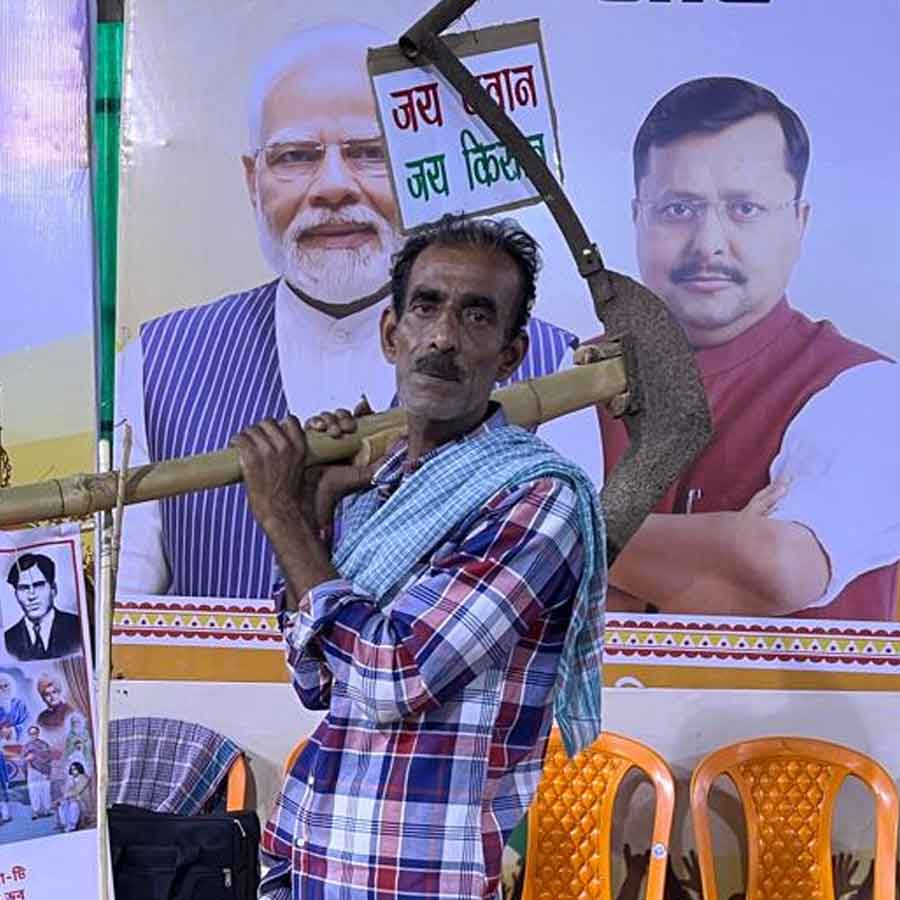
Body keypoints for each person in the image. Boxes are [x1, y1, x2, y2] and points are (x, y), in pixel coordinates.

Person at [116, 22, 601, 600]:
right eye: (296, 156)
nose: (333, 187)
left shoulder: (556, 369)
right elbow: (125, 619)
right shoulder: (160, 361)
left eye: (369, 153)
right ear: (254, 181)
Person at [238, 216, 607, 900]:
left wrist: (280, 515)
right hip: (319, 863)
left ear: (510, 354)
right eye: (426, 307)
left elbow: (393, 675)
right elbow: (318, 681)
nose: (442, 337)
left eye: (475, 315)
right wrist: (317, 509)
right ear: (391, 334)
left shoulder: (535, 497)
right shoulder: (382, 489)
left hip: (419, 881)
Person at [597, 76, 899, 620]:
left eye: (745, 210)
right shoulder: (566, 383)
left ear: (799, 223)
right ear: (637, 216)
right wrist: (718, 541)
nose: (709, 243)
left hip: (790, 709)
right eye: (678, 209)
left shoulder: (870, 393)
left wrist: (554, 531)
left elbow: (774, 571)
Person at [4, 553, 81, 659]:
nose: (31, 596)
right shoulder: (7, 641)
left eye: (38, 585)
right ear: (16, 594)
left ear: (53, 589)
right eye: (23, 588)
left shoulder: (78, 627)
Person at [22, 725, 53, 820]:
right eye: (31, 733)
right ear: (29, 735)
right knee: (33, 791)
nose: (33, 735)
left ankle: (47, 810)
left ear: (38, 733)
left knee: (45, 791)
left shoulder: (44, 744)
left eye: (34, 733)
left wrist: (36, 757)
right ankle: (35, 812)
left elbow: (48, 757)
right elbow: (22, 760)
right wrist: (27, 759)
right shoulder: (26, 746)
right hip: (32, 772)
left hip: (43, 772)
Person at [56, 761, 90, 833]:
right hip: (71, 799)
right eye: (72, 769)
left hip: (82, 801)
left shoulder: (84, 778)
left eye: (75, 769)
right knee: (62, 805)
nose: (73, 771)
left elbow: (77, 791)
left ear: (79, 768)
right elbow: (65, 791)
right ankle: (65, 824)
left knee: (73, 805)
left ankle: (72, 825)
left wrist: (67, 795)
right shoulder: (71, 779)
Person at [0, 674, 28, 740]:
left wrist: (12, 730)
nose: (3, 689)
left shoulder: (19, 704)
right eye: (0, 687)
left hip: (17, 742)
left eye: (6, 686)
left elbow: (26, 723)